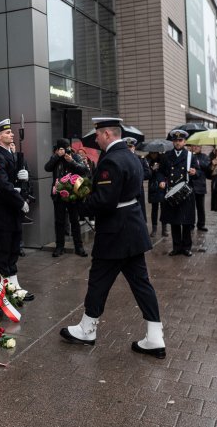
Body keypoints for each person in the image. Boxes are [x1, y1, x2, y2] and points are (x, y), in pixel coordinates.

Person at [60, 117, 165, 358]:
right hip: (132, 230)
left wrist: (78, 202)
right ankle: (155, 335)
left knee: (98, 280)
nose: (95, 139)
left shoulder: (112, 161)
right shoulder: (132, 156)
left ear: (107, 134)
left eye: (97, 135)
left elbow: (105, 201)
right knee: (141, 284)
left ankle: (87, 329)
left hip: (115, 233)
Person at [0, 119, 33, 300]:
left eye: (11, 132)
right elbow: (4, 185)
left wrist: (25, 177)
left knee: (14, 248)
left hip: (12, 211)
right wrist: (20, 202)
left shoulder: (10, 155)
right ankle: (5, 289)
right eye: (7, 133)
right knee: (5, 250)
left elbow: (14, 180)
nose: (12, 134)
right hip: (5, 211)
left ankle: (14, 284)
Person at [44, 138, 89, 257]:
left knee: (74, 220)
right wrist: (56, 156)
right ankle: (59, 247)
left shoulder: (74, 156)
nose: (65, 150)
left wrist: (71, 161)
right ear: (58, 149)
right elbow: (47, 168)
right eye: (62, 148)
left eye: (67, 148)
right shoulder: (55, 157)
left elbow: (84, 170)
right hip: (59, 194)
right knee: (59, 221)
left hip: (73, 195)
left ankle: (79, 247)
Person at [160, 129, 198, 256]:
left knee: (186, 221)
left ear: (184, 141)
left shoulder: (190, 156)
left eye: (180, 140)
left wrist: (195, 172)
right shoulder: (166, 156)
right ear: (172, 142)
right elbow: (161, 172)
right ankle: (176, 247)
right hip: (172, 190)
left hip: (186, 192)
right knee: (174, 220)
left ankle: (187, 247)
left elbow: (199, 172)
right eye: (175, 140)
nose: (177, 142)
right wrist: (161, 180)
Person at [124, 137, 151, 222]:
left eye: (131, 146)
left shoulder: (140, 158)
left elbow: (148, 173)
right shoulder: (121, 159)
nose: (129, 148)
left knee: (140, 213)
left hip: (138, 189)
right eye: (127, 146)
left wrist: (137, 176)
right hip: (125, 191)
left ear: (134, 147)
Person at [189, 144, 210, 231]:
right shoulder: (188, 156)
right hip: (191, 185)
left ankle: (201, 224)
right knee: (190, 207)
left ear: (201, 147)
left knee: (200, 207)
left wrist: (197, 162)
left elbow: (207, 166)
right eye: (193, 146)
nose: (195, 148)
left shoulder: (204, 156)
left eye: (197, 146)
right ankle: (190, 224)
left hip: (200, 185)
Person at [145, 151, 167, 236]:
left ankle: (164, 229)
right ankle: (154, 229)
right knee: (154, 208)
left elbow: (167, 172)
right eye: (151, 153)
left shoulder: (163, 159)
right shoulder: (147, 160)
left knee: (164, 208)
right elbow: (146, 174)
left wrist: (164, 180)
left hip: (162, 186)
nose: (153, 155)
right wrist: (152, 169)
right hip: (153, 187)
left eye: (155, 153)